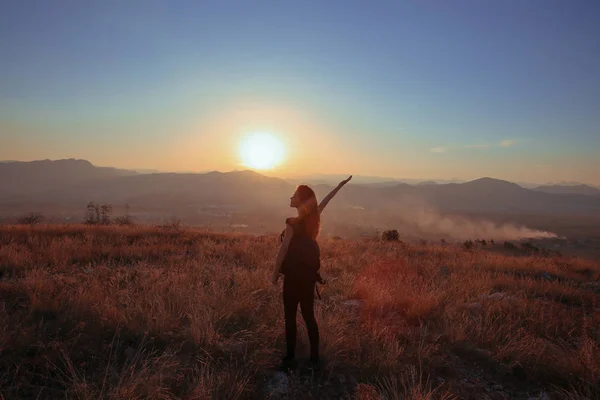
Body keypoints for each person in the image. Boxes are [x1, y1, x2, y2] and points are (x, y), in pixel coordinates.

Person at [271, 176, 352, 369]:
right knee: (309, 316)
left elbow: (283, 250)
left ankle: (290, 357)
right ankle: (314, 357)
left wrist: (274, 275)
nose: (291, 198)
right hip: (307, 279)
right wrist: (339, 186)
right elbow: (325, 201)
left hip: (291, 278)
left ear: (301, 200)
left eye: (294, 195)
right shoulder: (313, 218)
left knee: (290, 317)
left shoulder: (292, 223)